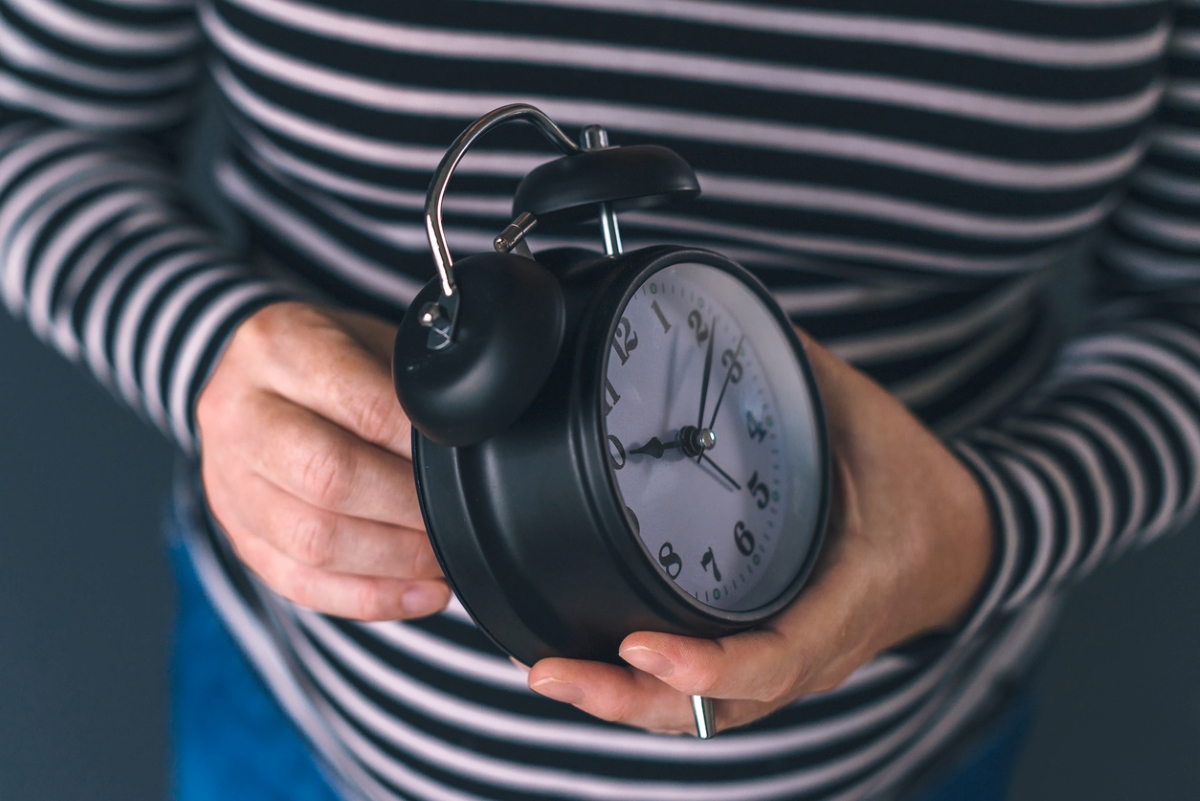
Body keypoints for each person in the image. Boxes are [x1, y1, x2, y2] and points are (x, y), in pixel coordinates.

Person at [0, 0, 1194, 798]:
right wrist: (212, 353)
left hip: (915, 756)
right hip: (318, 749)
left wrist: (989, 528)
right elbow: (31, 120)